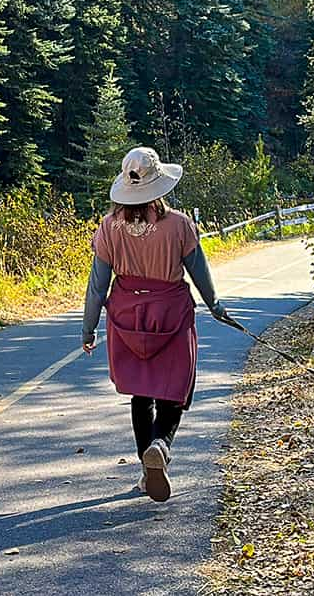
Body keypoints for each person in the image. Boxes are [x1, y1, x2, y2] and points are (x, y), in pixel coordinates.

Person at [81, 146, 233, 503]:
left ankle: (144, 467)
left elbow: (97, 284)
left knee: (141, 391)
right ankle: (161, 446)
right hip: (172, 314)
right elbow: (199, 271)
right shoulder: (179, 225)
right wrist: (216, 305)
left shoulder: (109, 227)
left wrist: (88, 329)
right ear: (159, 185)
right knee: (174, 389)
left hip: (127, 317)